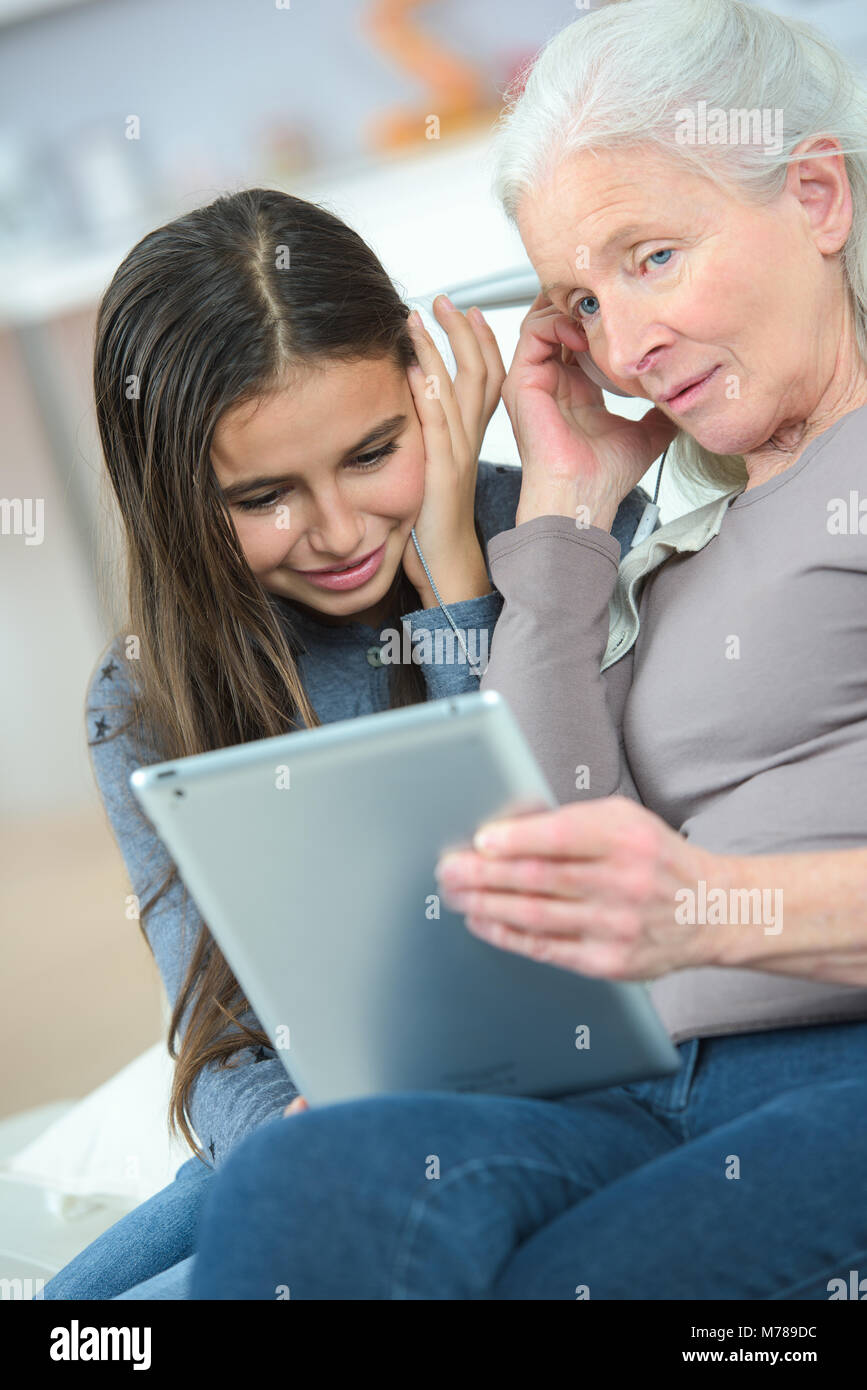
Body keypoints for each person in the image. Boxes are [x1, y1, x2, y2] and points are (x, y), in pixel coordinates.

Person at [188, 0, 867, 1300]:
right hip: (631, 1085)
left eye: (651, 255)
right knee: (306, 1174)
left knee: (566, 1276)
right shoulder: (663, 516)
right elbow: (547, 847)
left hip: (832, 1069)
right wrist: (560, 510)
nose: (619, 346)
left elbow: (662, 910)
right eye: (580, 300)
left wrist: (711, 906)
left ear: (816, 194)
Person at [39, 184, 656, 1301]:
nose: (333, 532)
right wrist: (290, 1126)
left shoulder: (584, 539)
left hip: (572, 1103)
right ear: (174, 498)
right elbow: (221, 1041)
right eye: (263, 495)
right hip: (324, 1127)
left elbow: (557, 897)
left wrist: (458, 579)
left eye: (373, 453)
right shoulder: (144, 695)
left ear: (434, 391)